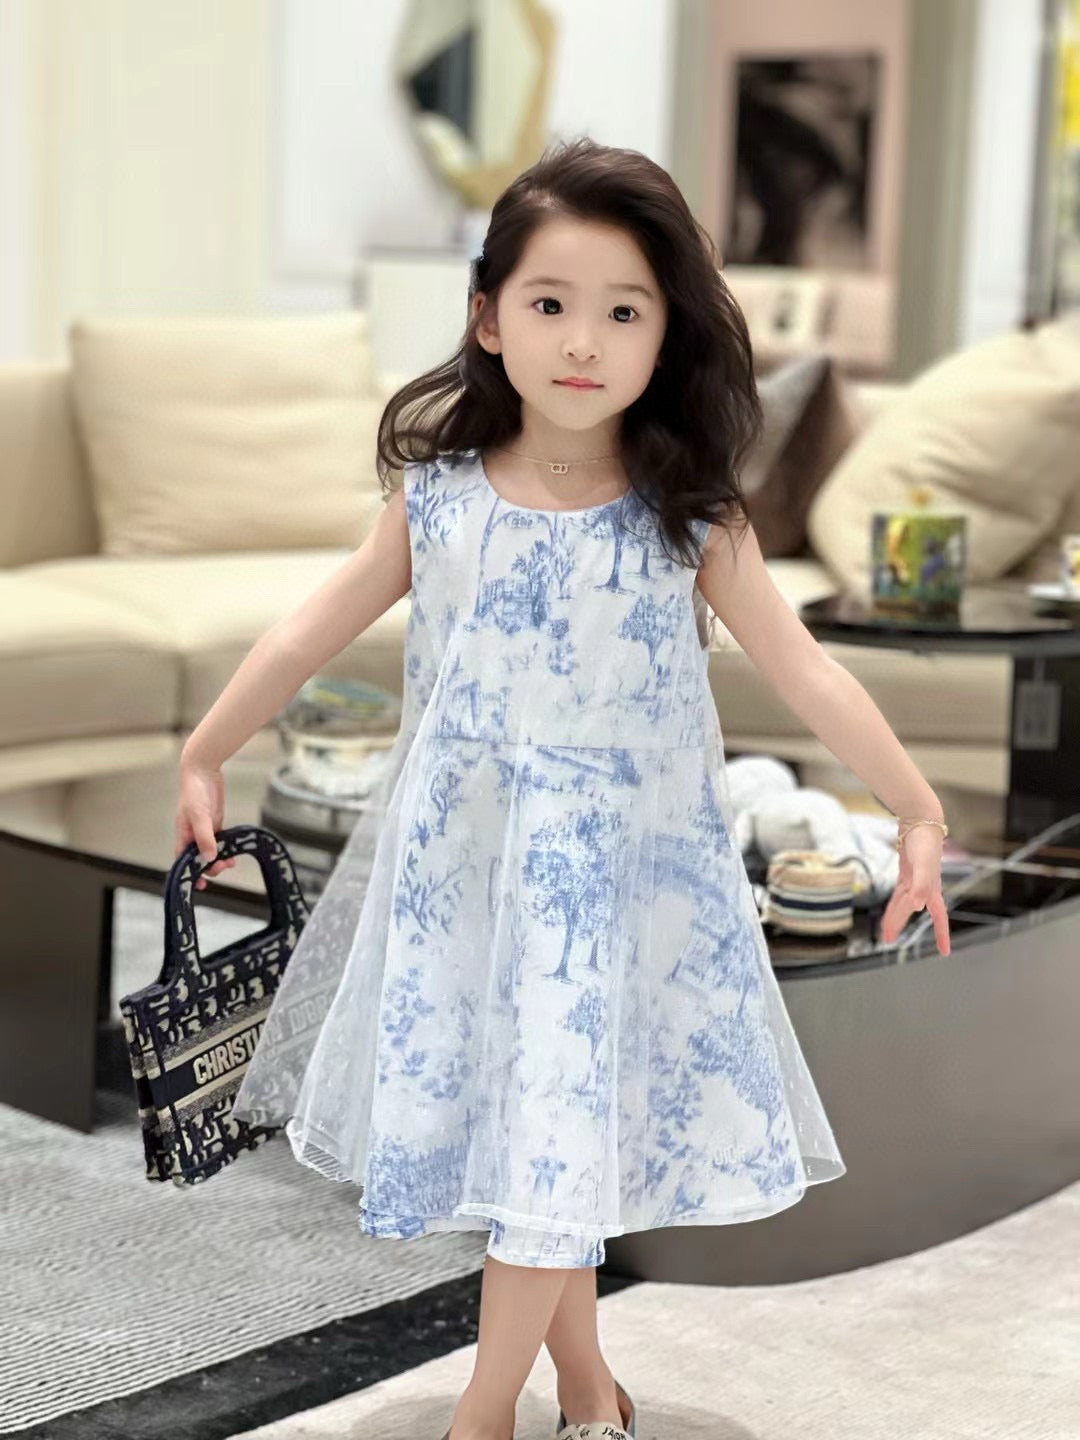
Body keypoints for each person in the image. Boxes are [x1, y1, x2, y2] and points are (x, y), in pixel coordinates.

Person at [174, 136, 950, 1440]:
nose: (583, 340)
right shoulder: (439, 503)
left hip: (615, 889)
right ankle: (589, 1389)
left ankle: (483, 1416)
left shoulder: (689, 517)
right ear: (489, 319)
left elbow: (807, 670)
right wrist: (206, 748)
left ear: (667, 335)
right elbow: (312, 627)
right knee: (545, 1139)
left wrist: (918, 811)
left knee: (549, 1138)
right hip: (467, 877)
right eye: (550, 303)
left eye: (625, 312)